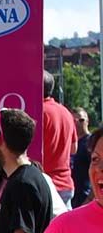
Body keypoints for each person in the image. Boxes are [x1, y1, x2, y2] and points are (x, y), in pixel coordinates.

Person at [41, 70, 76, 207]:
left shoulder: (38, 112)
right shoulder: (65, 112)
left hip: (46, 186)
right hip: (66, 184)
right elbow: (73, 149)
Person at [71, 107, 92, 208]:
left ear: (87, 121)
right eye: (74, 120)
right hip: (72, 197)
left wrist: (90, 198)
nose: (78, 123)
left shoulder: (92, 143)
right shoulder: (71, 143)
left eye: (81, 120)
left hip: (86, 197)